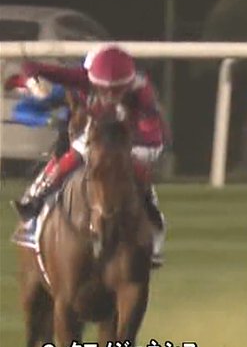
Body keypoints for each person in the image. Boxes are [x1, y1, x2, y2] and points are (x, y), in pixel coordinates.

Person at [5, 45, 168, 266]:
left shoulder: (142, 90)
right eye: (104, 90)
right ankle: (35, 201)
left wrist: (131, 151)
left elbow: (151, 132)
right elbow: (45, 70)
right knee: (75, 154)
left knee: (136, 172)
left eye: (117, 90)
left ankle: (154, 225)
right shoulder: (82, 78)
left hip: (137, 139)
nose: (110, 95)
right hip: (99, 133)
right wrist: (33, 74)